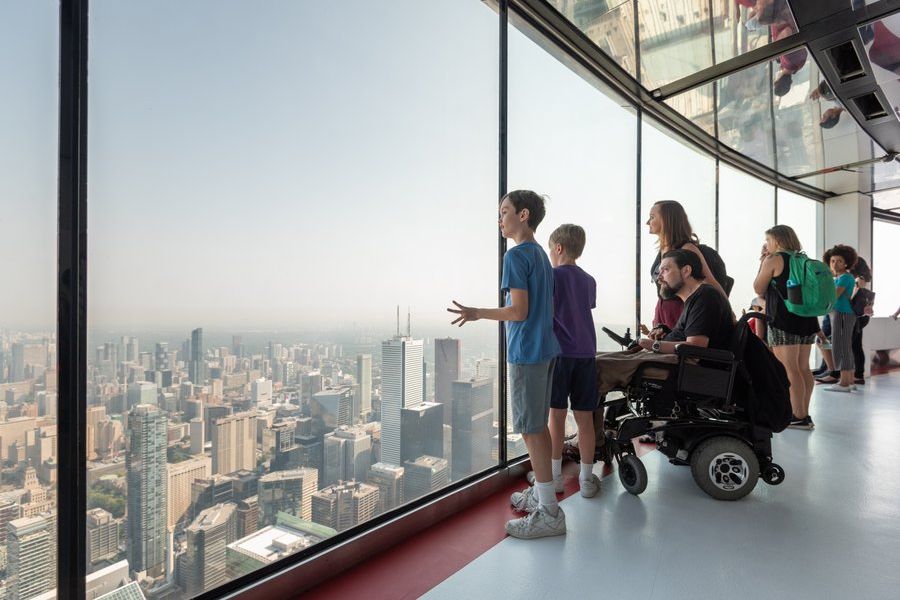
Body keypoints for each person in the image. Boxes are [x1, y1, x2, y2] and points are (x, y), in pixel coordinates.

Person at [447, 190, 564, 539]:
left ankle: (549, 513)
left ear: (523, 215)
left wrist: (477, 313)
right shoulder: (541, 255)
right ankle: (544, 496)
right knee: (537, 427)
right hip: (545, 349)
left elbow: (519, 311)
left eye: (504, 212)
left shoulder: (516, 256)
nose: (500, 220)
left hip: (527, 352)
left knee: (529, 429)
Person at [596, 249, 734, 395]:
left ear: (686, 271)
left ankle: (588, 417)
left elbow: (696, 348)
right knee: (590, 359)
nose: (659, 278)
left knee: (594, 366)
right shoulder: (695, 298)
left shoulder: (706, 297)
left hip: (683, 368)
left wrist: (653, 345)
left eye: (665, 270)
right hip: (670, 361)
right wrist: (665, 333)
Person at [530, 224, 601, 499]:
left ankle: (555, 476)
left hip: (559, 354)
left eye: (550, 248)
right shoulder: (589, 280)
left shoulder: (551, 276)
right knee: (585, 419)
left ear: (558, 248)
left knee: (556, 416)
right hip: (587, 354)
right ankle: (586, 479)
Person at [753, 225, 819, 430]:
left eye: (769, 240)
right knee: (803, 368)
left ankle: (797, 415)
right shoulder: (802, 258)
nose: (767, 245)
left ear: (778, 241)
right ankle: (804, 414)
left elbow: (758, 288)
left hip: (784, 319)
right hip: (807, 319)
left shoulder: (774, 259)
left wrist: (763, 261)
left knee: (789, 369)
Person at [643, 200, 727, 340]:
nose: (647, 222)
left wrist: (729, 314)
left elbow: (710, 282)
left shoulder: (687, 248)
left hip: (682, 312)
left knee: (682, 355)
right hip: (664, 312)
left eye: (652, 217)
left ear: (666, 219)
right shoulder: (663, 250)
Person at [822, 244, 859, 392]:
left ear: (846, 263)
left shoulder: (845, 278)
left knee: (842, 347)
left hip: (842, 314)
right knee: (845, 347)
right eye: (832, 261)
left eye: (839, 261)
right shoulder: (841, 277)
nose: (835, 264)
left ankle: (844, 383)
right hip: (841, 314)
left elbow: (833, 296)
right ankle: (849, 381)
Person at [850, 257, 873, 385]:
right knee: (856, 345)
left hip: (856, 314)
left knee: (854, 345)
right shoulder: (863, 277)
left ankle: (856, 375)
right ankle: (858, 375)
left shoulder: (859, 278)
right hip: (861, 315)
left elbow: (852, 295)